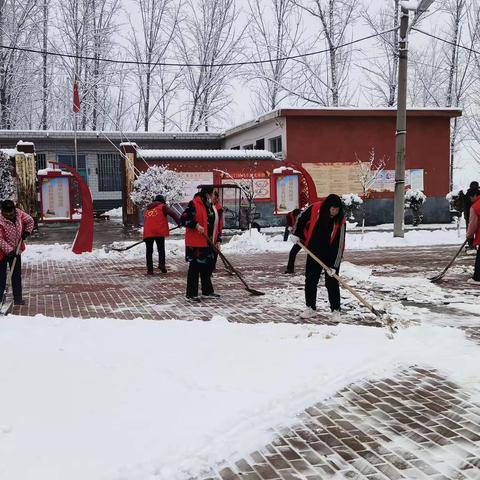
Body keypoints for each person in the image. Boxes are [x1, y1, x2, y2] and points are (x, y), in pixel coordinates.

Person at [292, 194, 346, 320]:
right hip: (313, 251)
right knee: (310, 280)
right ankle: (310, 308)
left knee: (332, 282)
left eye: (337, 210)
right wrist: (296, 234)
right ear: (327, 206)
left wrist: (334, 266)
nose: (334, 212)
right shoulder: (315, 208)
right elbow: (301, 218)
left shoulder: (340, 220)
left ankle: (336, 310)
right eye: (332, 209)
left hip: (330, 255)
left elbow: (340, 244)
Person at [181, 186, 221, 301]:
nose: (215, 196)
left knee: (207, 267)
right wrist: (196, 225)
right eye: (213, 193)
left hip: (208, 242)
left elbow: (214, 224)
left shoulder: (209, 206)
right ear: (207, 194)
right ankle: (191, 294)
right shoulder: (194, 203)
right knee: (194, 268)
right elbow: (183, 218)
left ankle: (207, 291)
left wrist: (218, 239)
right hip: (196, 243)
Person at [0, 200, 34, 305]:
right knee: (1, 276)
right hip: (1, 252)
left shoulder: (19, 213)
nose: (9, 215)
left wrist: (26, 232)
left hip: (16, 249)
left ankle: (18, 298)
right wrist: (9, 251)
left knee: (16, 275)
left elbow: (30, 220)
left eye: (11, 213)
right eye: (6, 214)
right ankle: (0, 299)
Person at [143, 195, 180, 275]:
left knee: (149, 251)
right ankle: (161, 265)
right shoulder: (162, 207)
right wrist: (179, 223)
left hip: (148, 232)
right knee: (161, 249)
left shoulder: (148, 209)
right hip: (158, 231)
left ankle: (150, 270)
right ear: (162, 201)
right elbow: (173, 213)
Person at [466, 187, 480, 282]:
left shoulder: (475, 207)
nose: (471, 200)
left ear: (475, 195)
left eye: (471, 197)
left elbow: (472, 224)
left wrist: (469, 235)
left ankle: (477, 278)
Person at [284, 208, 302, 274]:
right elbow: (290, 225)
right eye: (296, 216)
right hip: (300, 239)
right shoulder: (290, 216)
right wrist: (290, 227)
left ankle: (321, 268)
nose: (297, 218)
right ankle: (290, 269)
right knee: (292, 253)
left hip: (307, 238)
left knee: (314, 254)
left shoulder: (304, 217)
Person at [464, 181, 479, 249]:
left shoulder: (468, 194)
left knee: (471, 228)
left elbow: (472, 225)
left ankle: (471, 245)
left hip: (471, 215)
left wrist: (469, 235)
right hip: (471, 215)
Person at [212, 191, 224, 272]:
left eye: (213, 197)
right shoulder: (210, 206)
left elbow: (220, 221)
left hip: (216, 231)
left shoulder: (218, 208)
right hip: (210, 231)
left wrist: (219, 232)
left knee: (215, 249)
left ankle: (213, 266)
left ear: (216, 198)